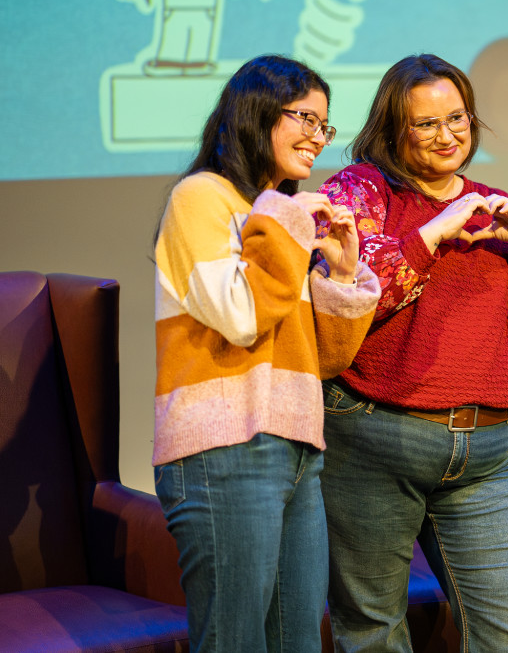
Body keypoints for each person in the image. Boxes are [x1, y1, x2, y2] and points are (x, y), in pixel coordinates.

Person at [316, 53, 508, 651]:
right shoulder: (360, 188)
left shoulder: (496, 204)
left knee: (507, 634)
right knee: (373, 630)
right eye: (425, 123)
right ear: (393, 128)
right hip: (378, 439)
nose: (447, 134)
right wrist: (435, 230)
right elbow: (358, 293)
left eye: (456, 118)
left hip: (483, 453)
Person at [152, 54, 380, 652]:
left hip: (299, 446)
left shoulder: (280, 217)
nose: (317, 137)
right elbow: (238, 315)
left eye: (324, 125)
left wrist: (342, 273)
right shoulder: (201, 198)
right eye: (304, 116)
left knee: (299, 641)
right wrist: (283, 222)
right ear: (255, 113)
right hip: (224, 445)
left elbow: (323, 359)